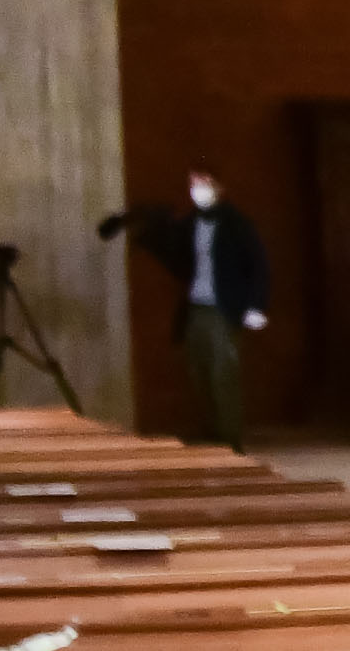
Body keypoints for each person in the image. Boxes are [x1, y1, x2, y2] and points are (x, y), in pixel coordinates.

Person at [100, 168, 271, 447]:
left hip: (223, 307)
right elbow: (174, 250)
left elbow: (258, 264)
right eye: (193, 183)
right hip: (196, 307)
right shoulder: (191, 222)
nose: (197, 189)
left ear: (219, 187)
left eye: (203, 183)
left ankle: (230, 436)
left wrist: (256, 305)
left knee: (223, 373)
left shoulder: (235, 223)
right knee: (199, 369)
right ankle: (214, 429)